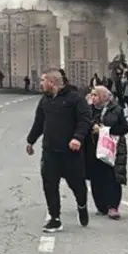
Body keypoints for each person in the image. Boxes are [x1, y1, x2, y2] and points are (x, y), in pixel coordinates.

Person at [26, 68, 93, 232]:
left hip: (71, 152)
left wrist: (77, 137)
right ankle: (55, 218)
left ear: (52, 82)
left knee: (77, 186)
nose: (41, 84)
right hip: (50, 151)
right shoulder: (45, 101)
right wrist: (31, 141)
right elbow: (39, 123)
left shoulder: (75, 98)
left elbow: (85, 120)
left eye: (43, 80)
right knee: (49, 185)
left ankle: (82, 205)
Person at [86, 85, 128, 219]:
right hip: (94, 149)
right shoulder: (88, 109)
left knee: (112, 177)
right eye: (92, 95)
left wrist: (105, 130)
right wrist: (91, 126)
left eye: (96, 95)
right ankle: (101, 206)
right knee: (96, 178)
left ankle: (113, 206)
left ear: (103, 96)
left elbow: (124, 128)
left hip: (111, 149)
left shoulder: (116, 109)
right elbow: (82, 123)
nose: (93, 98)